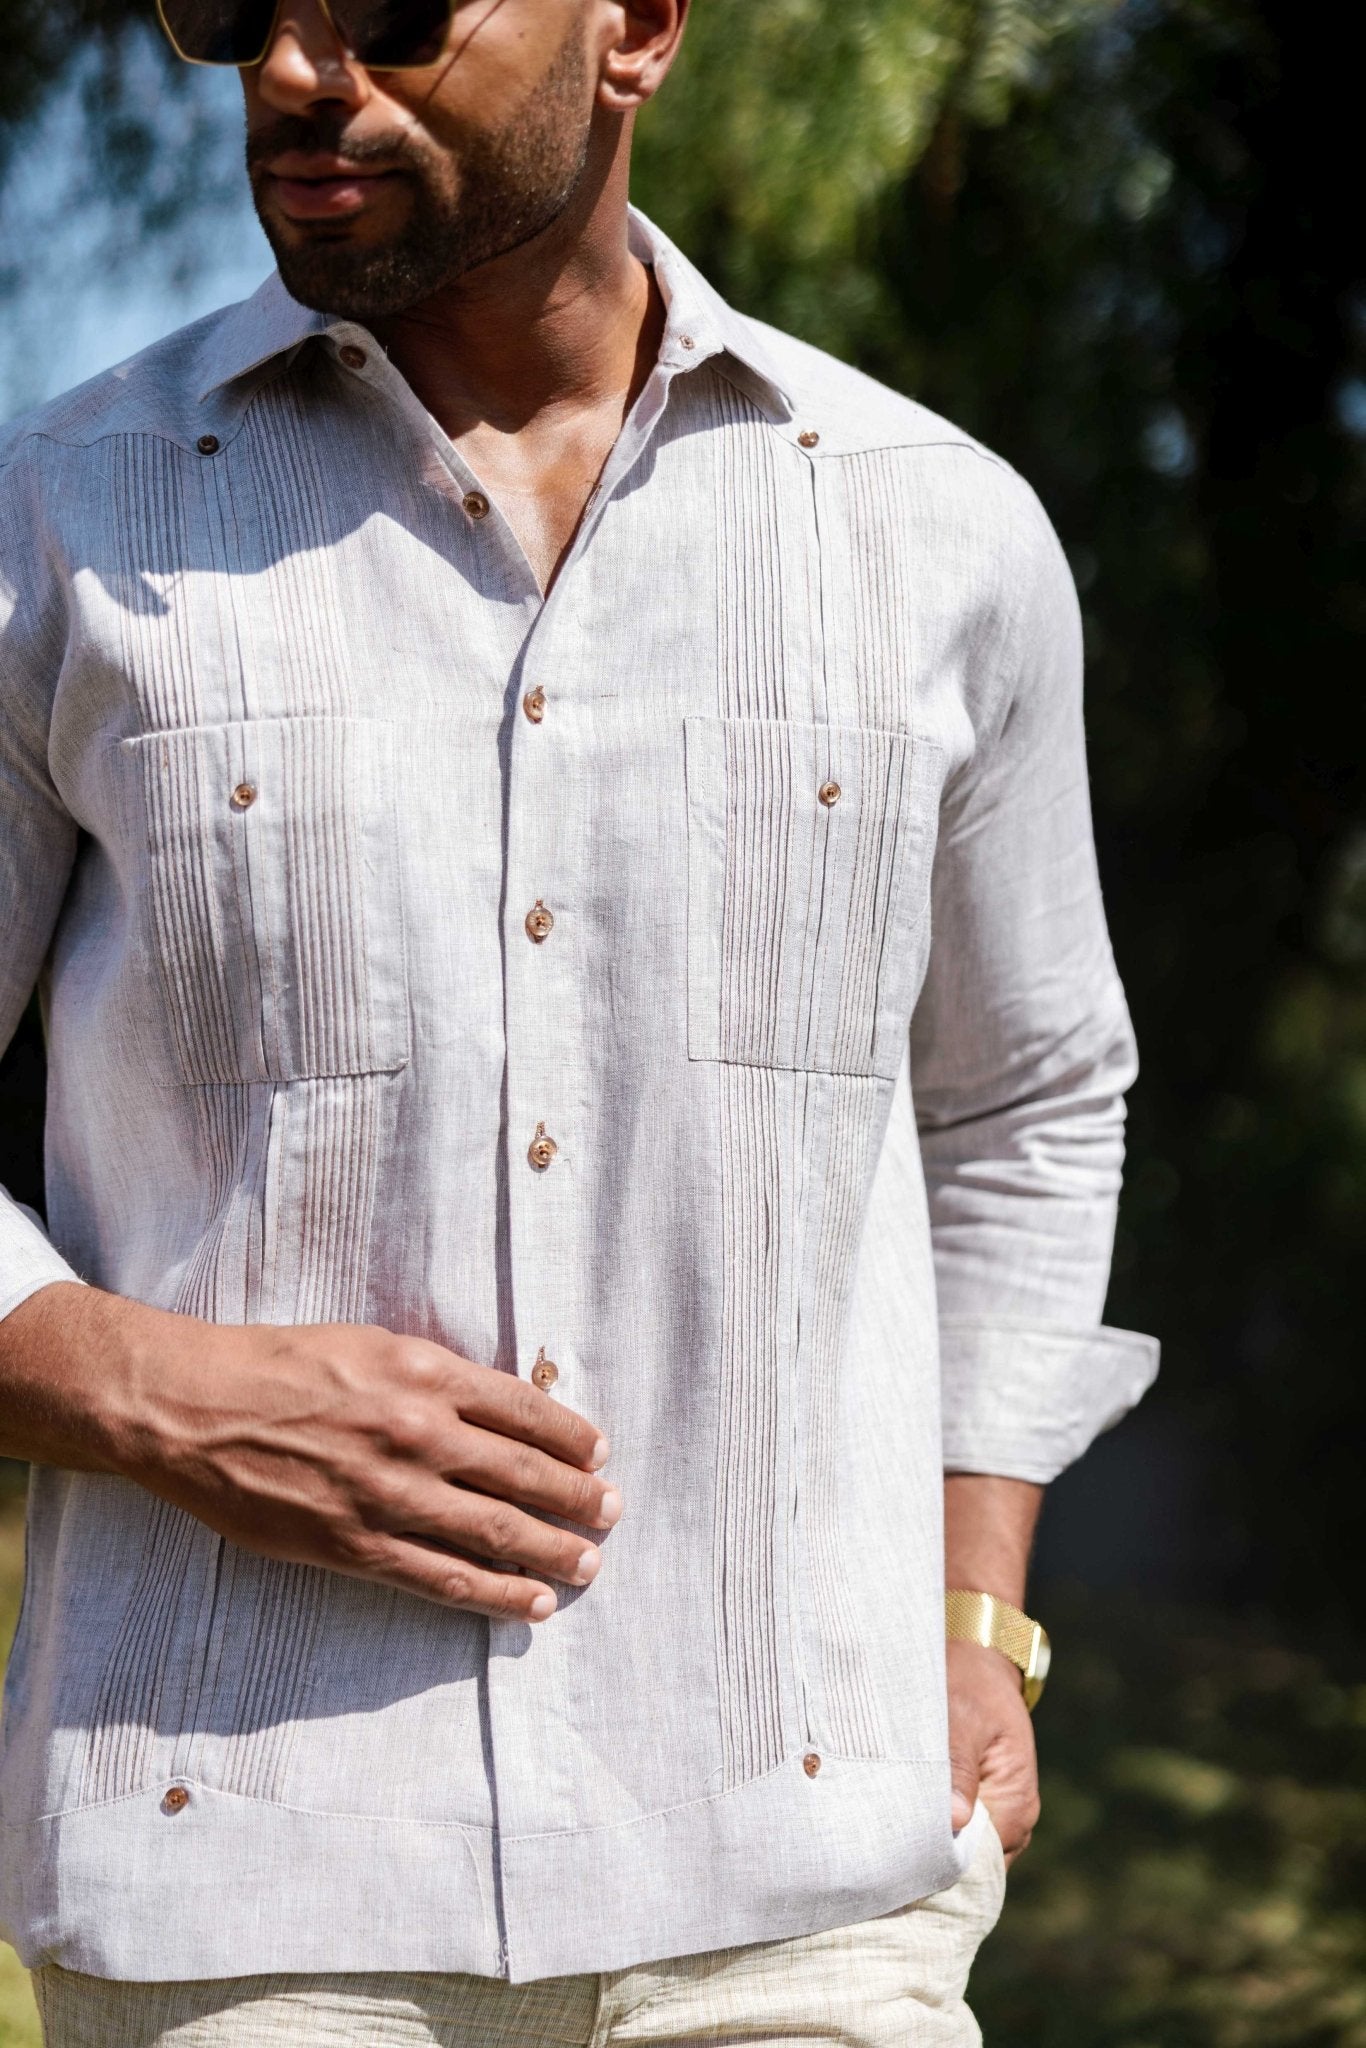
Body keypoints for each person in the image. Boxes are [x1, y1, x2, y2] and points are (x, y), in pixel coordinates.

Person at [0, 2, 1159, 2041]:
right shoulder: (62, 523)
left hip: (806, 1881)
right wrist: (151, 1391)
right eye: (231, 9)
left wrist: (977, 1606)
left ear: (634, 29)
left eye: (388, 9)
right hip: (242, 1886)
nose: (295, 73)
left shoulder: (933, 530)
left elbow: (1026, 1101)